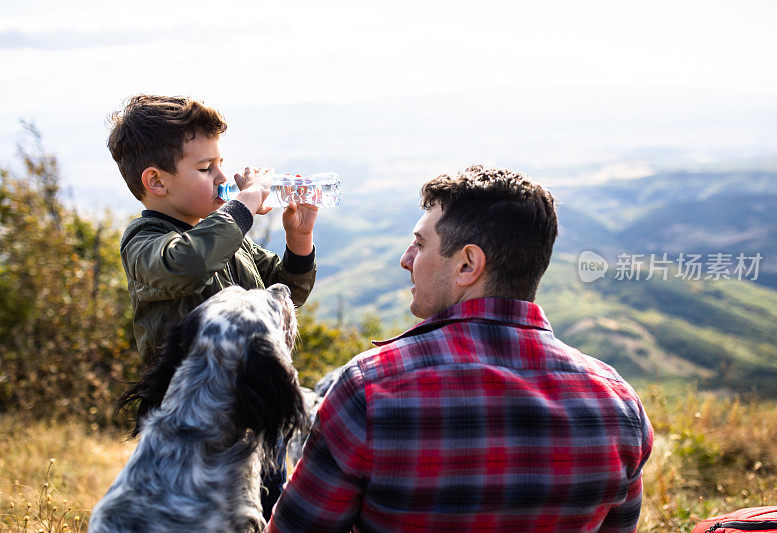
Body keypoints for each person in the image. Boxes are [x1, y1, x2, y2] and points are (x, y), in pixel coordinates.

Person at [269, 165, 653, 532]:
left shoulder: (372, 389)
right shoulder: (621, 406)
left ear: (468, 265)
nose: (406, 260)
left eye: (419, 245)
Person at [108, 94, 318, 512]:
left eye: (221, 163)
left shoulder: (224, 237)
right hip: (193, 424)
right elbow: (186, 262)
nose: (223, 177)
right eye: (207, 169)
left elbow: (285, 298)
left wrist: (299, 241)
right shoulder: (145, 241)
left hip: (252, 408)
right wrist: (244, 205)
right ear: (157, 182)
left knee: (266, 508)